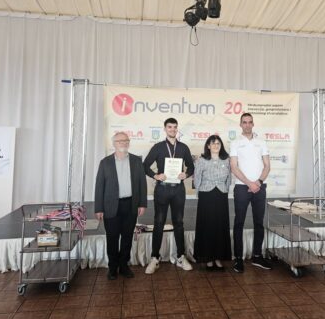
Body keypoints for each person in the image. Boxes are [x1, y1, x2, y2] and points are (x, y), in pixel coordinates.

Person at [143, 117, 195, 274]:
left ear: (177, 129)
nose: (172, 129)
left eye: (175, 127)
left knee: (179, 222)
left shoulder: (183, 147)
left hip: (178, 190)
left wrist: (186, 174)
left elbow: (191, 167)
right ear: (165, 129)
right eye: (169, 127)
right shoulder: (158, 147)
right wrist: (156, 175)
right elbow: (145, 166)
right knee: (159, 222)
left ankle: (180, 257)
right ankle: (155, 258)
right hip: (162, 190)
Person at [94, 132, 147, 280]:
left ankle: (124, 265)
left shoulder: (136, 161)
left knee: (127, 237)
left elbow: (142, 183)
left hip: (131, 205)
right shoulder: (105, 162)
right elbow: (99, 186)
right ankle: (112, 267)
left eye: (126, 140)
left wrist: (142, 203)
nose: (123, 143)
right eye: (120, 141)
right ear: (114, 144)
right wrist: (98, 208)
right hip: (110, 206)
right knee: (112, 237)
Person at [230, 112, 271, 273]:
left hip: (260, 187)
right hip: (242, 187)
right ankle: (238, 259)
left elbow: (267, 166)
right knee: (239, 222)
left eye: (249, 122)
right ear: (240, 124)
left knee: (259, 222)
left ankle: (257, 256)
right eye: (244, 122)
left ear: (253, 124)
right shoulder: (235, 143)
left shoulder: (261, 142)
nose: (247, 124)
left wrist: (258, 183)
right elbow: (234, 167)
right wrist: (249, 183)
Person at [193, 135, 232, 270]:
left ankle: (218, 258)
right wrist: (199, 193)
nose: (216, 145)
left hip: (221, 195)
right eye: (213, 143)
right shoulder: (201, 160)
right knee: (207, 226)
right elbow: (197, 178)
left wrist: (225, 191)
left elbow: (229, 179)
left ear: (221, 146)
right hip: (206, 196)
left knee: (220, 227)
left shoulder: (227, 160)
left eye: (218, 143)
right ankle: (208, 258)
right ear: (208, 146)